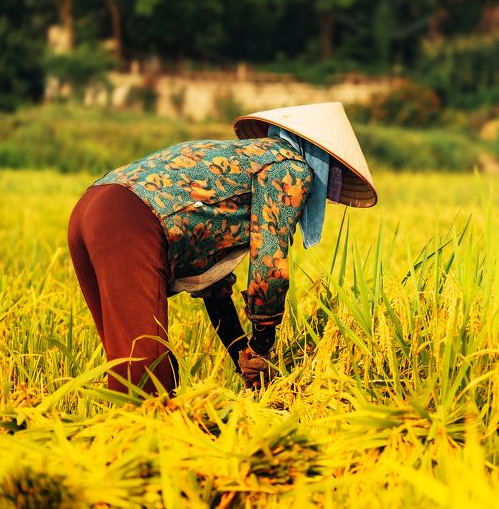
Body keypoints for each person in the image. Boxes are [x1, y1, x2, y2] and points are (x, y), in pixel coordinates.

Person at [67, 102, 377, 394]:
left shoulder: (249, 160)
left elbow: (215, 288)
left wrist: (244, 358)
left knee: (131, 358)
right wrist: (262, 345)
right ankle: (131, 444)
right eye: (335, 173)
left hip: (92, 206)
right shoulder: (291, 169)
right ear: (323, 160)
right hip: (129, 221)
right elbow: (270, 267)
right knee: (145, 367)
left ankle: (118, 441)